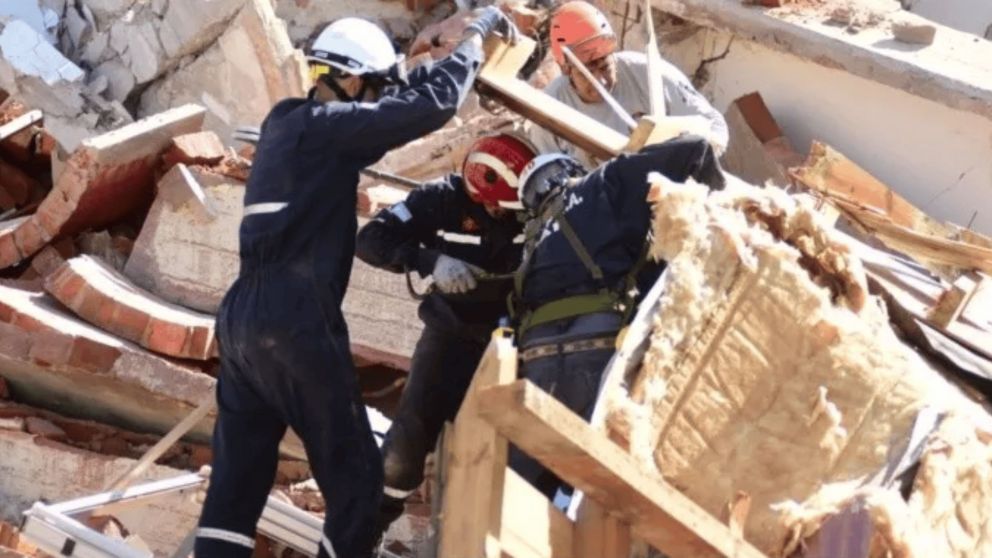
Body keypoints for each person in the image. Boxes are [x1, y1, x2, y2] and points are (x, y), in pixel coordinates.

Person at [194, 10, 519, 558]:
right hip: (295, 318)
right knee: (360, 485)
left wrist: (420, 65)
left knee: (236, 486)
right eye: (371, 87)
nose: (373, 101)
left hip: (241, 322)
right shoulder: (322, 132)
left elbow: (388, 110)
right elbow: (428, 109)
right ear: (348, 79)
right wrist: (472, 40)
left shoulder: (290, 126)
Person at [508, 134, 726, 499]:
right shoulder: (602, 182)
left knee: (519, 503)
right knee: (607, 499)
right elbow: (695, 150)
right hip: (600, 353)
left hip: (537, 369)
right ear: (571, 170)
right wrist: (716, 219)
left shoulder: (531, 244)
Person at [355, 132, 537, 538]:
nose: (501, 213)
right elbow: (370, 241)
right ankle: (365, 533)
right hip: (452, 335)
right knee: (408, 440)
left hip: (516, 340)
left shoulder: (534, 206)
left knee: (518, 449)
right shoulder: (439, 199)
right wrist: (429, 260)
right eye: (494, 205)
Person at [529, 0, 728, 168]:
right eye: (587, 72)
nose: (601, 80)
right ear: (566, 69)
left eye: (605, 65)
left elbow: (715, 126)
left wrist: (684, 153)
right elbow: (550, 175)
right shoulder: (550, 109)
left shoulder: (649, 73)